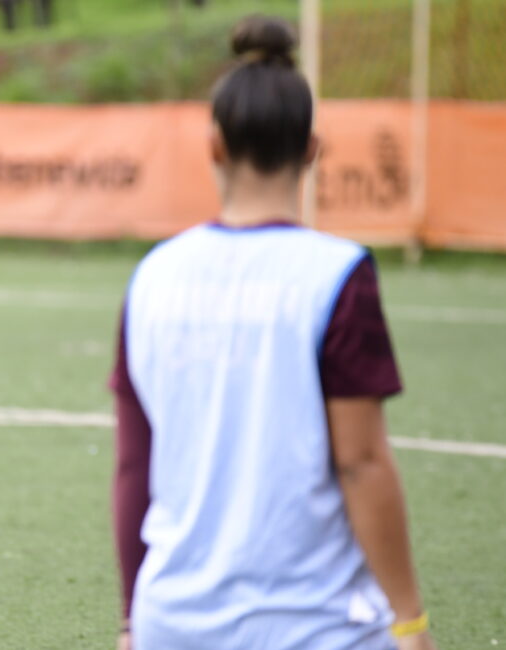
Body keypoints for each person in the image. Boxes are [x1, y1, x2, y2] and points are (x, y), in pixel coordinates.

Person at [111, 16, 436, 650]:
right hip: (316, 623)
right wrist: (410, 620)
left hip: (172, 619)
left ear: (215, 147)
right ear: (312, 149)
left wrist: (131, 618)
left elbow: (133, 461)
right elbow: (362, 462)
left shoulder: (153, 275)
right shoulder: (339, 272)